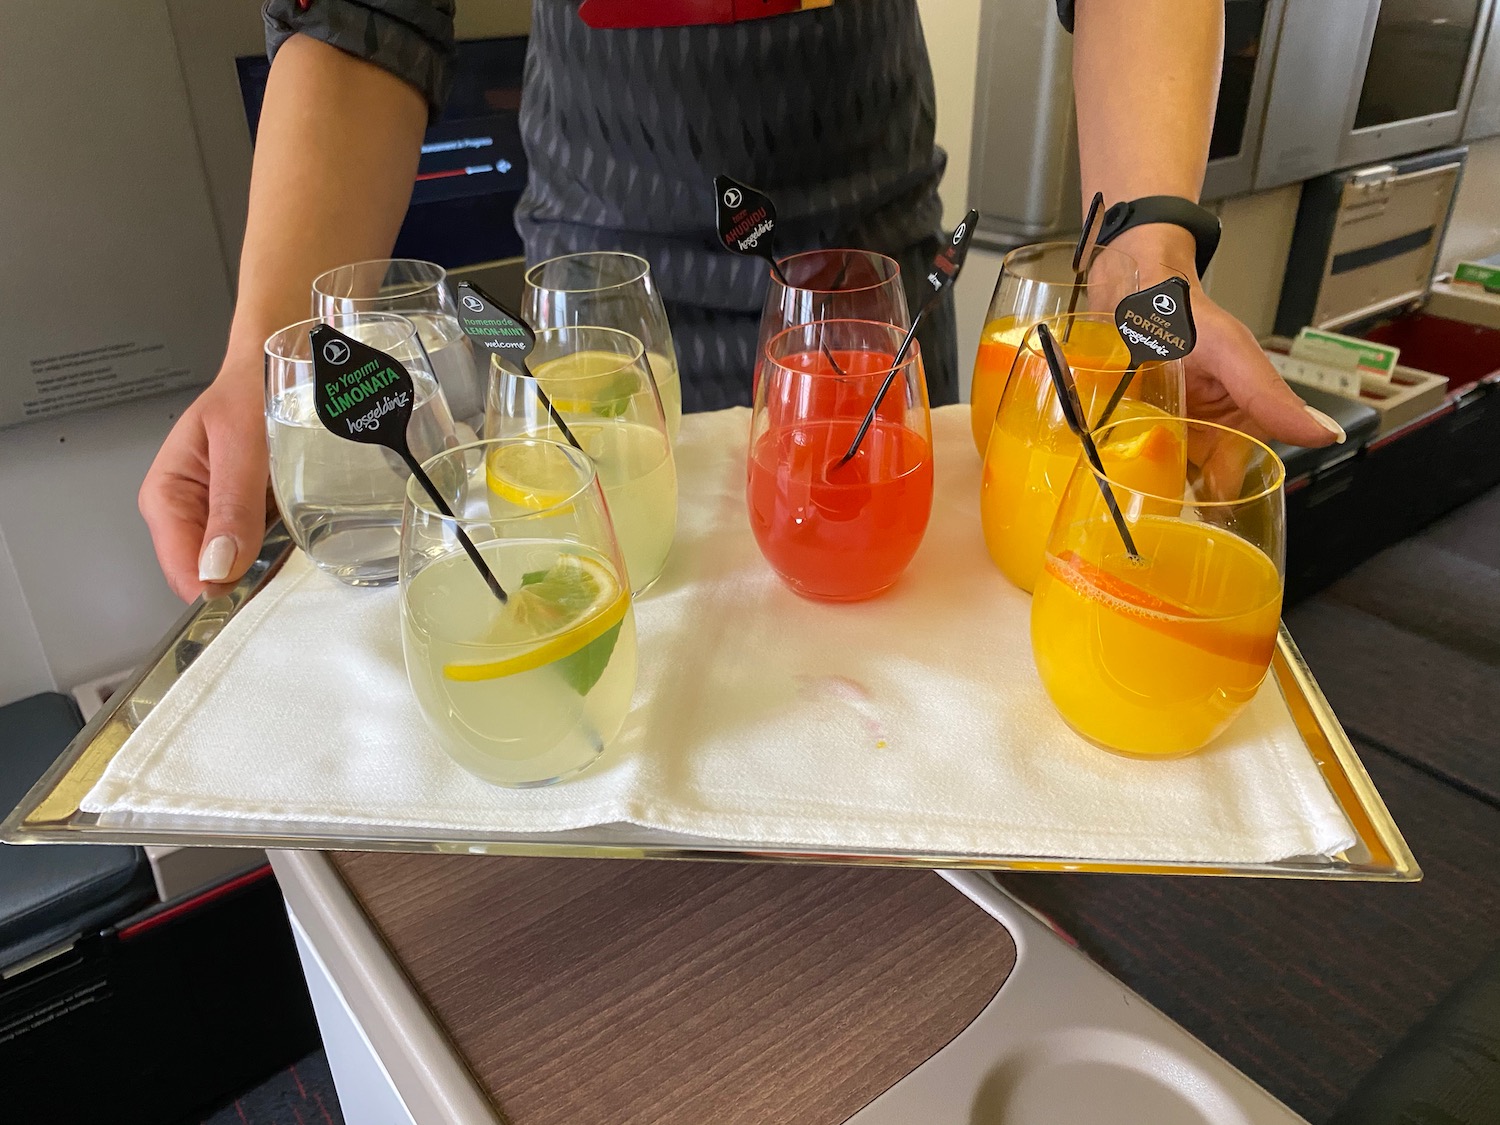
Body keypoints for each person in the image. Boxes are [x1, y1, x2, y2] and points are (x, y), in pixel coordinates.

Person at [141, 0, 1344, 602]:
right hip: (599, 327)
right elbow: (364, 20)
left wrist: (1145, 275)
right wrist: (270, 358)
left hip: (865, 301)